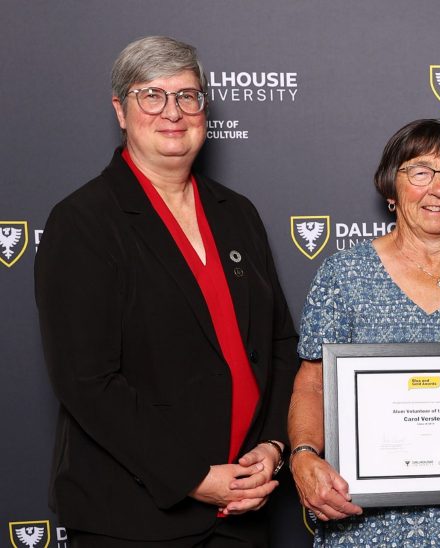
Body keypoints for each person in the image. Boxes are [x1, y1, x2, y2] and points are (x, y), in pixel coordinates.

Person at [34, 36, 296, 546]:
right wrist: (195, 477)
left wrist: (273, 446)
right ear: (120, 110)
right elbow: (86, 380)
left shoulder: (237, 212)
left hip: (245, 511)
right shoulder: (84, 221)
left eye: (188, 96)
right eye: (151, 95)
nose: (172, 112)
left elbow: (281, 345)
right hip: (135, 519)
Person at [287, 119, 440, 546]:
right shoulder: (344, 275)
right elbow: (313, 383)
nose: (437, 188)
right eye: (420, 172)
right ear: (392, 189)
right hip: (369, 523)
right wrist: (304, 456)